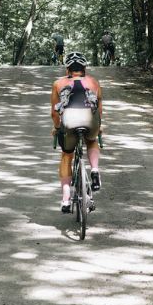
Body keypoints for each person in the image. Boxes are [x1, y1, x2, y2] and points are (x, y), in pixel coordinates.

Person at [51, 52, 103, 213]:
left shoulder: (58, 83)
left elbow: (54, 112)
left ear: (68, 69)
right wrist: (99, 126)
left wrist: (57, 128)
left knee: (67, 155)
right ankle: (94, 169)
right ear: (84, 68)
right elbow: (99, 110)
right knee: (92, 140)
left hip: (69, 121)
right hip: (90, 120)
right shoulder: (93, 82)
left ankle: (66, 200)